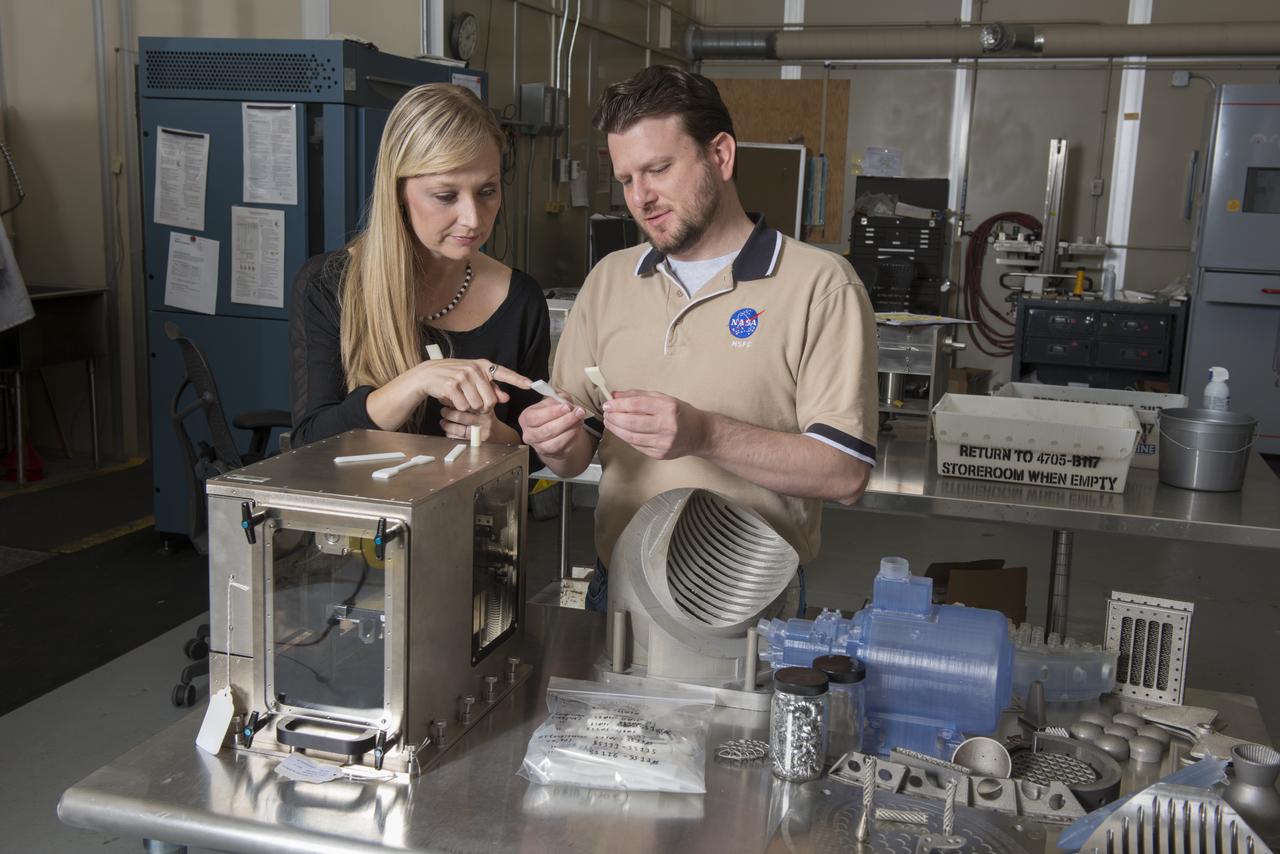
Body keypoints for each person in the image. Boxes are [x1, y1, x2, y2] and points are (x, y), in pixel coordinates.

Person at [518, 66, 877, 611]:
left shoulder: (820, 285)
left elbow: (845, 472)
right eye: (626, 180)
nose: (641, 197)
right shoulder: (610, 280)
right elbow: (577, 452)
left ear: (721, 155)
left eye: (658, 169)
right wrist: (553, 440)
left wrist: (705, 434)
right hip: (618, 590)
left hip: (747, 602)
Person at [290, 83, 548, 449]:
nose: (473, 219)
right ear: (398, 190)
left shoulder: (520, 299)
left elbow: (533, 453)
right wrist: (417, 381)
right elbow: (310, 442)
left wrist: (498, 437)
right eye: (446, 196)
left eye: (487, 191)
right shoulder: (328, 285)